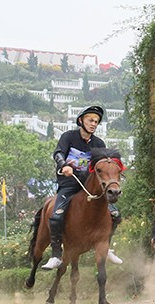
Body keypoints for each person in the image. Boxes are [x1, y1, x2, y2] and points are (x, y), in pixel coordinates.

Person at [42, 105, 123, 270]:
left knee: (115, 214)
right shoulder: (68, 137)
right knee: (57, 216)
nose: (94, 124)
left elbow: (102, 165)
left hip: (89, 187)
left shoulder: (99, 143)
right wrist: (63, 164)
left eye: (96, 121)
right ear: (81, 121)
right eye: (90, 120)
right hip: (69, 184)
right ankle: (56, 255)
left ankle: (106, 247)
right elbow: (58, 153)